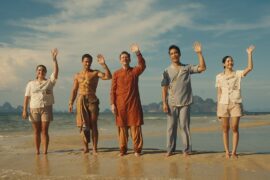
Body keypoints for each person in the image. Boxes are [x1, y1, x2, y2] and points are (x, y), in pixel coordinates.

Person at [161, 42, 206, 157]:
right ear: (169, 56)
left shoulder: (187, 67)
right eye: (171, 53)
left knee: (184, 126)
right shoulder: (166, 70)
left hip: (185, 102)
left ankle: (186, 149)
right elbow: (164, 87)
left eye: (176, 53)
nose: (174, 55)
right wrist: (164, 103)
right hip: (171, 102)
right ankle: (170, 149)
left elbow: (202, 68)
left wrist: (199, 53)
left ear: (179, 54)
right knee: (171, 127)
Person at [216, 45, 255, 159]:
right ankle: (227, 152)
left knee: (234, 127)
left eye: (231, 60)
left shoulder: (238, 74)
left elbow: (249, 68)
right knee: (225, 128)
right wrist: (218, 109)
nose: (230, 62)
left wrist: (249, 54)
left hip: (235, 103)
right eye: (228, 61)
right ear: (224, 64)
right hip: (223, 104)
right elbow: (219, 92)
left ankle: (234, 152)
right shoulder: (219, 76)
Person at [69, 53, 112, 154]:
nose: (87, 63)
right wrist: (70, 102)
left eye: (89, 61)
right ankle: (85, 147)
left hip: (92, 100)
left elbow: (109, 77)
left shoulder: (95, 73)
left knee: (94, 124)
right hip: (81, 100)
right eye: (85, 61)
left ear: (91, 62)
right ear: (82, 62)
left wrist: (104, 65)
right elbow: (74, 90)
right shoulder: (77, 75)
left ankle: (94, 148)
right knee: (84, 125)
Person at [110, 44, 146, 157]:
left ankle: (137, 150)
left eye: (126, 57)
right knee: (122, 128)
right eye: (122, 58)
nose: (124, 59)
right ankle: (123, 149)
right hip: (120, 105)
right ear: (120, 60)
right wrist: (112, 104)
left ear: (129, 59)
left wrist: (138, 53)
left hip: (133, 105)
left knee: (135, 127)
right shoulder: (116, 73)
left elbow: (143, 65)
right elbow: (112, 90)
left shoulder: (134, 71)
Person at [22, 48, 59, 155]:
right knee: (36, 131)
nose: (40, 71)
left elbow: (56, 73)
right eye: (39, 70)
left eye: (43, 70)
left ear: (45, 72)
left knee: (44, 130)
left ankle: (45, 152)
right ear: (36, 72)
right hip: (34, 108)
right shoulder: (30, 83)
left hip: (46, 108)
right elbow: (26, 97)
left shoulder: (50, 82)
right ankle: (37, 151)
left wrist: (54, 60)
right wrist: (24, 110)